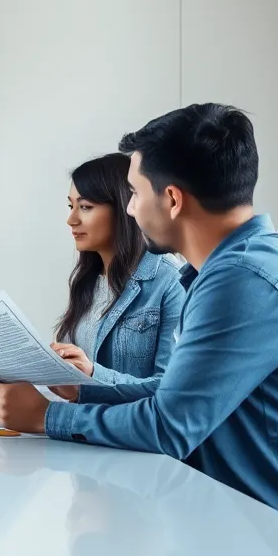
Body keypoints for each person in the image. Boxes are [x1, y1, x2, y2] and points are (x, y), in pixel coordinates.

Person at [0, 103, 278, 534]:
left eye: (135, 194)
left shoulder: (243, 281)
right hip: (233, 518)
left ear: (172, 199)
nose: (131, 210)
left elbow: (169, 427)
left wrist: (45, 417)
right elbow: (177, 394)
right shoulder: (224, 270)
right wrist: (85, 393)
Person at [52, 153, 184, 388]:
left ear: (125, 207)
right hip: (82, 423)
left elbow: (170, 390)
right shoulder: (87, 280)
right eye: (71, 206)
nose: (71, 219)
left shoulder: (170, 281)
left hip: (126, 424)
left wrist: (93, 374)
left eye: (85, 207)